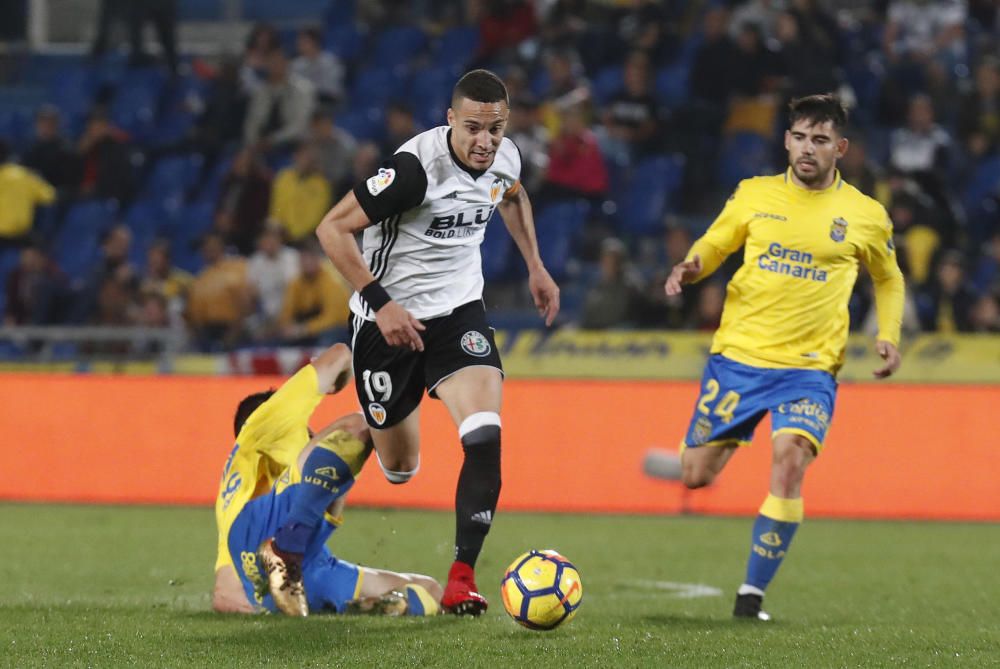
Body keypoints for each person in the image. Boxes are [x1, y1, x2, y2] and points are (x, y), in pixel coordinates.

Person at [312, 69, 560, 616]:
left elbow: (513, 198)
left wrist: (536, 266)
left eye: (494, 130)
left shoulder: (507, 158)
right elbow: (331, 229)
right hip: (387, 325)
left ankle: (461, 577)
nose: (485, 142)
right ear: (450, 120)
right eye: (473, 128)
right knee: (399, 469)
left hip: (458, 315)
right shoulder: (413, 171)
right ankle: (307, 476)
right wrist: (381, 305)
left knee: (485, 433)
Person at [664, 94, 904, 621]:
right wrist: (691, 266)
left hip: (810, 368)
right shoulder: (755, 195)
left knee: (791, 459)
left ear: (840, 148)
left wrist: (887, 333)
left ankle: (751, 598)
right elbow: (717, 243)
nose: (807, 149)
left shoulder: (864, 214)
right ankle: (694, 449)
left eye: (820, 140)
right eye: (799, 137)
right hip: (740, 358)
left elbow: (888, 277)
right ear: (787, 139)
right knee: (695, 475)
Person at [213, 342, 442, 616]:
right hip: (283, 542)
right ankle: (287, 551)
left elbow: (224, 595)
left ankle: (357, 604)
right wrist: (340, 380)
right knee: (357, 426)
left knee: (430, 590)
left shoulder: (232, 499)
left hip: (300, 566)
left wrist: (267, 609)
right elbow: (341, 354)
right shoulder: (267, 416)